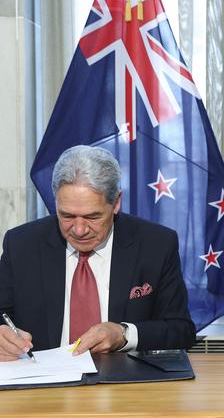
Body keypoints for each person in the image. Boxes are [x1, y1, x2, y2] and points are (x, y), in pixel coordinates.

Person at [0, 145, 195, 361]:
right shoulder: (21, 244)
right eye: (67, 216)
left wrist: (124, 334)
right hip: (43, 385)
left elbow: (181, 331)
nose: (79, 230)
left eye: (92, 217)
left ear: (116, 203)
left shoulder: (156, 245)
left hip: (127, 385)